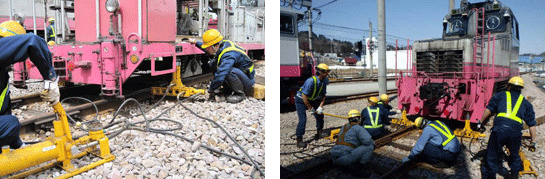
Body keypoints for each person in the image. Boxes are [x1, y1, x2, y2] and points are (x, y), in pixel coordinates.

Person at [0, 21, 59, 152]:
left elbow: (3, 111)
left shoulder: (2, 73)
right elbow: (33, 41)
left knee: (8, 123)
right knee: (11, 123)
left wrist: (18, 146)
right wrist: (51, 80)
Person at [478, 76, 537, 179]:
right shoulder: (526, 103)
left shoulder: (500, 95)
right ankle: (514, 175)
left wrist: (480, 123)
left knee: (492, 155)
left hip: (499, 130)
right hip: (515, 133)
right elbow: (532, 124)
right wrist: (533, 141)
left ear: (508, 86)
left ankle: (489, 176)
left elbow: (489, 110)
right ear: (520, 89)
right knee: (514, 155)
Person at [189, 29, 254, 103]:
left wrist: (211, 90)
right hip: (240, 77)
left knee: (228, 71)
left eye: (208, 47)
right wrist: (195, 42)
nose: (206, 49)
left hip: (247, 81)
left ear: (215, 46)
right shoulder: (221, 46)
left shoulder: (228, 55)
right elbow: (206, 48)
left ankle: (239, 94)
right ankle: (227, 90)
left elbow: (220, 75)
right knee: (213, 63)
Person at [294, 63, 330, 148]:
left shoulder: (324, 82)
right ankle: (299, 140)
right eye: (326, 72)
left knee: (320, 115)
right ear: (321, 72)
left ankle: (320, 132)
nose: (327, 74)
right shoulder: (310, 81)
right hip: (301, 100)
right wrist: (310, 108)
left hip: (311, 99)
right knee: (303, 120)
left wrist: (320, 106)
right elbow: (304, 96)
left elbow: (323, 95)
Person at [330, 110, 374, 177]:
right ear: (358, 119)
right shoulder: (358, 128)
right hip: (345, 160)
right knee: (370, 146)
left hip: (333, 157)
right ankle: (359, 168)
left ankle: (344, 165)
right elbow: (369, 142)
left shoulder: (344, 127)